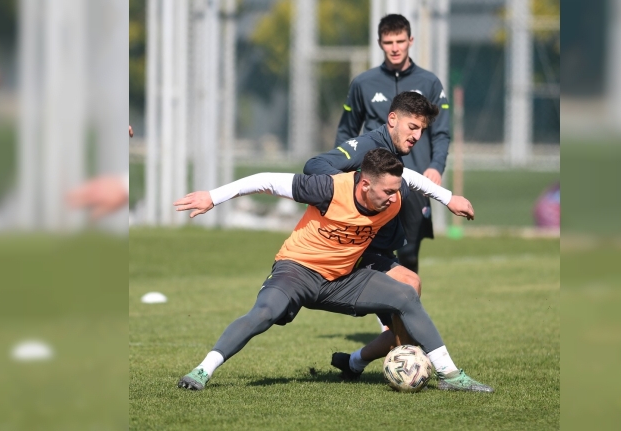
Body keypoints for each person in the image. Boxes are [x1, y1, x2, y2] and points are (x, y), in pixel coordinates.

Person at [173, 149, 493, 393]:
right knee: (265, 313)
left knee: (407, 295)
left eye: (397, 190)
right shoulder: (326, 189)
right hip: (298, 270)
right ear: (365, 184)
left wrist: (449, 199)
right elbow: (265, 180)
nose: (395, 198)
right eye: (388, 192)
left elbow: (410, 177)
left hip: (343, 279)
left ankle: (450, 375)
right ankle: (203, 370)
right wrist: (211, 198)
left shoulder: (391, 189)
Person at [305, 91, 450, 379]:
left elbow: (409, 179)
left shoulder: (392, 154)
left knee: (402, 331)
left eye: (422, 129)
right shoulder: (369, 146)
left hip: (382, 252)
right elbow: (315, 166)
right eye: (413, 127)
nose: (418, 136)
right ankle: (442, 373)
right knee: (410, 291)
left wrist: (448, 198)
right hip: (360, 252)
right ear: (392, 119)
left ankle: (354, 363)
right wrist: (356, 192)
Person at [334, 13, 451, 276]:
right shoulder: (363, 83)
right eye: (389, 42)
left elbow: (442, 132)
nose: (395, 48)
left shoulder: (429, 82)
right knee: (371, 251)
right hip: (375, 180)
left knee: (409, 253)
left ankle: (403, 313)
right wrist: (342, 172)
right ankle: (385, 314)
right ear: (380, 43)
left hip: (415, 181)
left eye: (400, 40)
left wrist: (435, 166)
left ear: (410, 40)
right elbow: (347, 131)